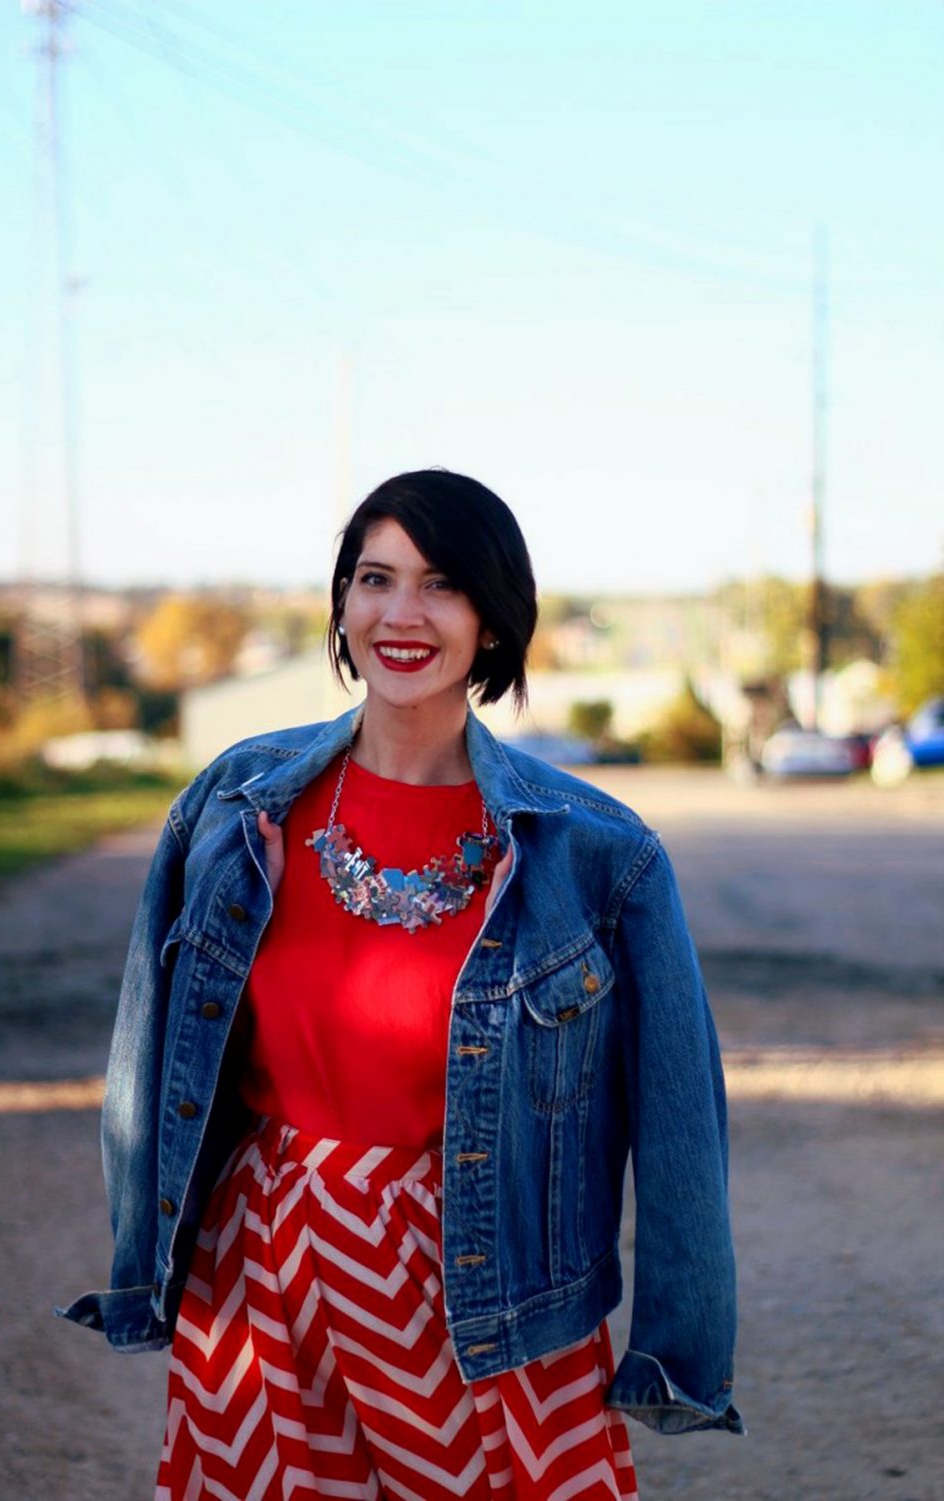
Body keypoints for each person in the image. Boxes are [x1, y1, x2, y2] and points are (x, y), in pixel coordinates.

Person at [60, 469, 743, 1499]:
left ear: (491, 620)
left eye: (440, 584)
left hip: (489, 1281)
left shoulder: (599, 852)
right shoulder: (237, 800)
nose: (401, 614)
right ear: (340, 605)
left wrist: (677, 1342)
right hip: (266, 1269)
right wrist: (142, 1262)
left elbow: (681, 1117)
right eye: (374, 578)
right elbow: (145, 1050)